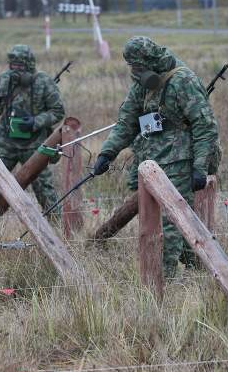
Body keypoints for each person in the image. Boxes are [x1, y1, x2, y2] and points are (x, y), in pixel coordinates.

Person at [93, 36, 219, 277]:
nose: (134, 72)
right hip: (151, 161)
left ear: (150, 62)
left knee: (170, 222)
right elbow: (126, 122)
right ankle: (198, 269)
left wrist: (200, 167)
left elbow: (205, 127)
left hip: (181, 160)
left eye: (138, 67)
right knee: (161, 219)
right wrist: (107, 153)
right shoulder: (143, 84)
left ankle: (160, 282)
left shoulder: (183, 81)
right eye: (132, 68)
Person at [0, 45, 65, 215]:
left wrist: (35, 122)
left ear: (29, 65)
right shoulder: (3, 81)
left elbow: (57, 112)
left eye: (19, 66)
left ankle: (56, 224)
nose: (15, 70)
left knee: (44, 188)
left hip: (35, 144)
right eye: (12, 66)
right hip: (5, 142)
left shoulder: (44, 82)